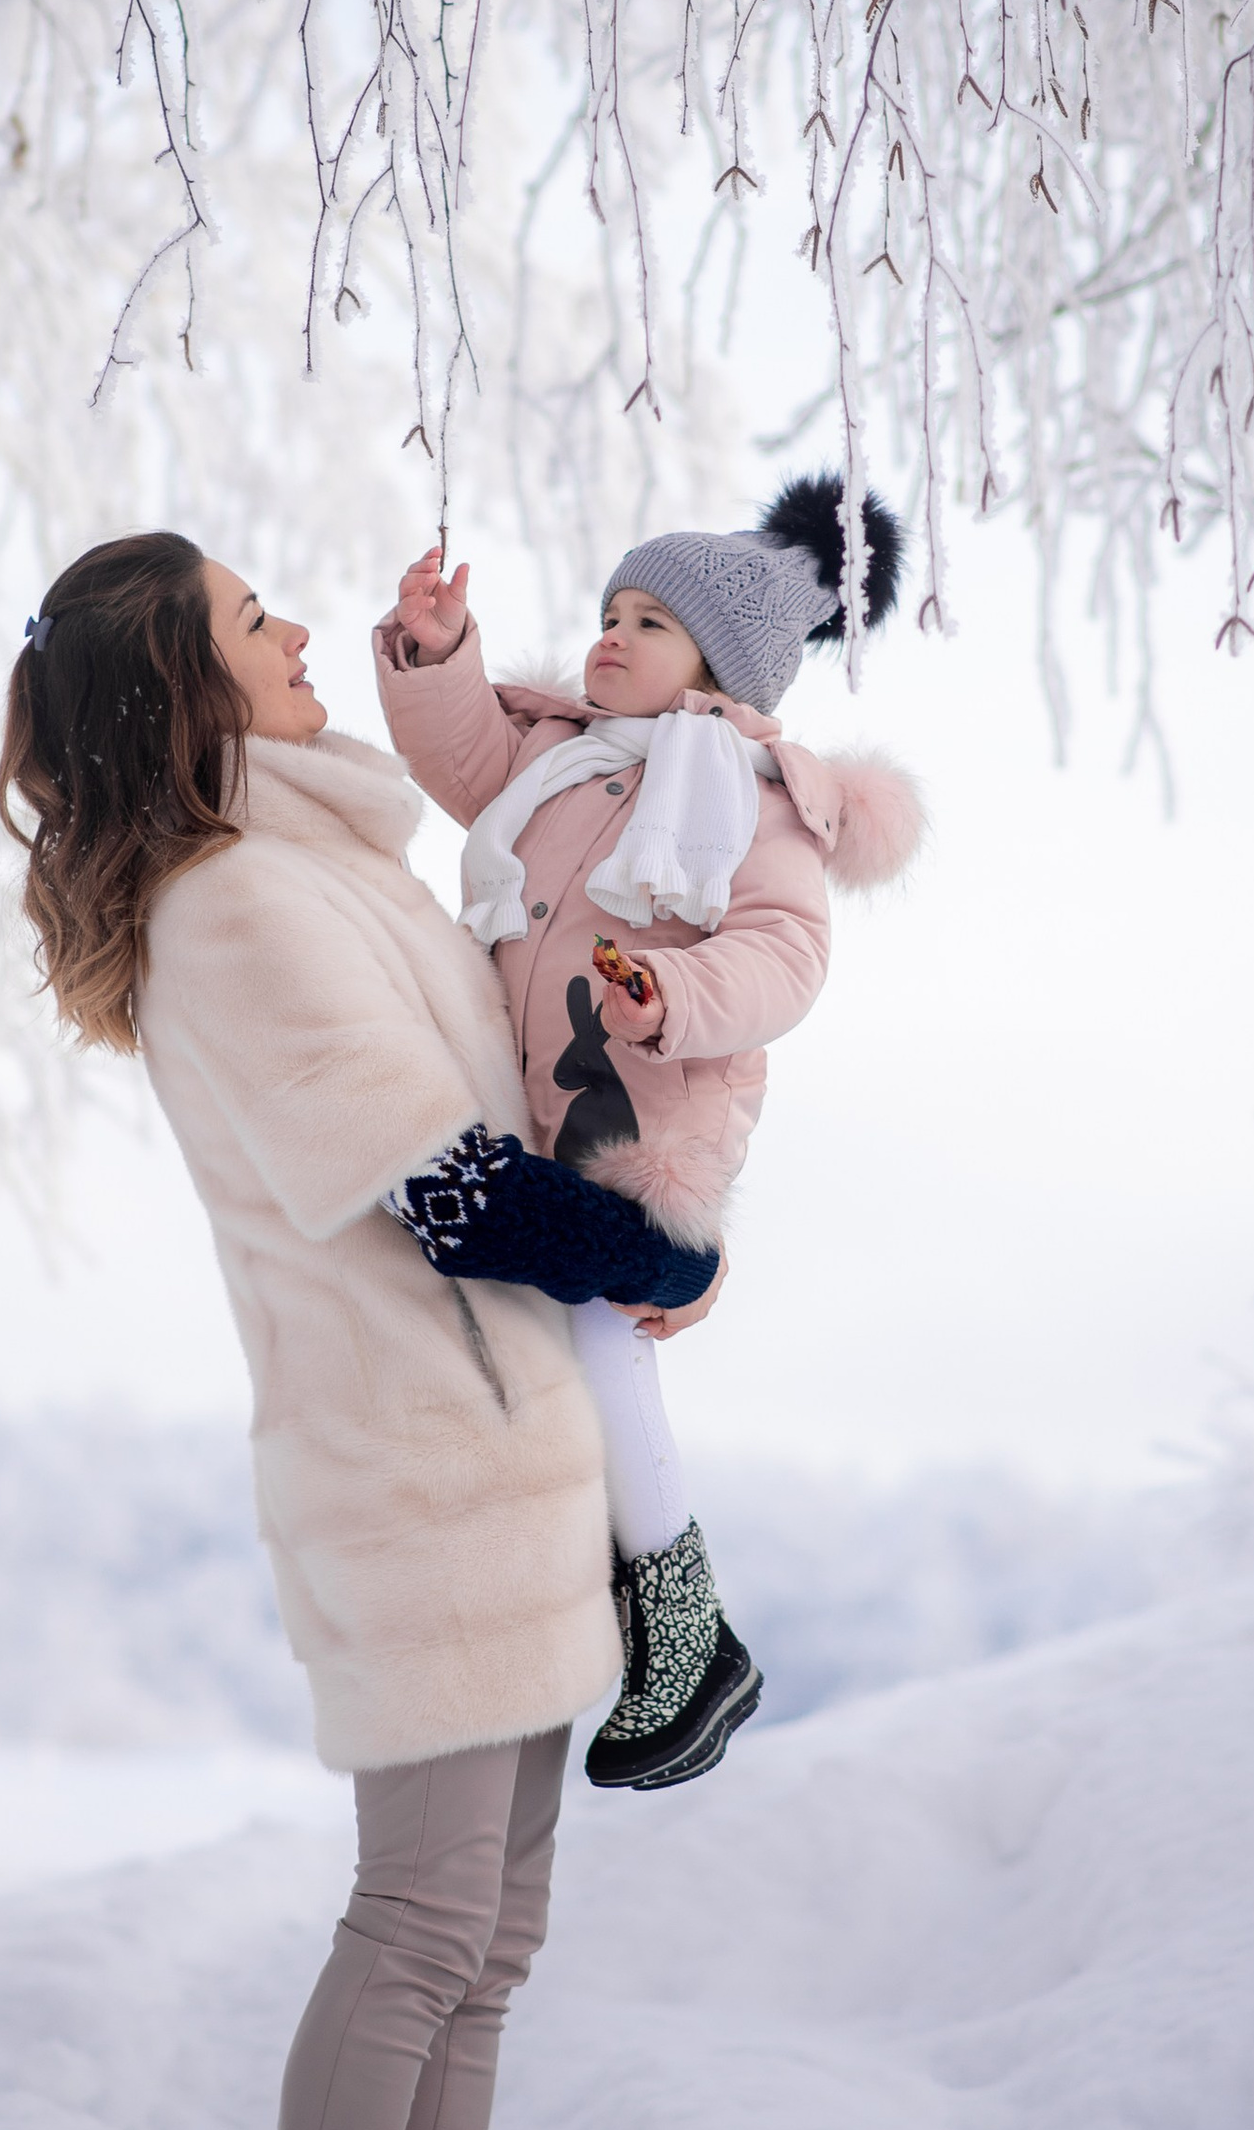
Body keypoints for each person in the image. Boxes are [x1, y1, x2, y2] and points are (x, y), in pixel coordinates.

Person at [0, 532, 724, 2130]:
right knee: (414, 1932)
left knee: (483, 1948)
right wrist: (651, 1252)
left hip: (506, 1463)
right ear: (183, 695)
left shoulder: (331, 871)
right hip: (406, 1473)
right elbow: (433, 1185)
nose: (297, 630)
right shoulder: (231, 909)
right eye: (253, 622)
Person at [377, 472, 927, 1789]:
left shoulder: (750, 792)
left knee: (598, 1339)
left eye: (650, 623)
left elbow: (787, 953)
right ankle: (607, 1600)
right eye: (610, 611)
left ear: (718, 672)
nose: (610, 636)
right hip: (528, 1100)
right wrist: (439, 652)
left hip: (644, 1114)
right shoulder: (555, 758)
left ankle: (681, 1622)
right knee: (537, 1342)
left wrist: (671, 992)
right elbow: (455, 758)